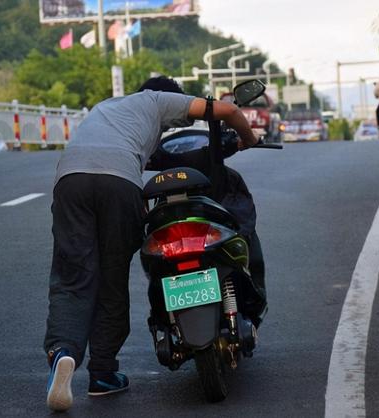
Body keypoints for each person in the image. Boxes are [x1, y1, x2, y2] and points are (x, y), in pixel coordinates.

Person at [44, 76, 258, 412]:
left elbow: (146, 157)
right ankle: (102, 373)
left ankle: (63, 352)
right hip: (119, 184)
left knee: (73, 277)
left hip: (70, 180)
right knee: (112, 279)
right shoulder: (157, 100)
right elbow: (227, 110)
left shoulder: (108, 109)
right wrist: (249, 138)